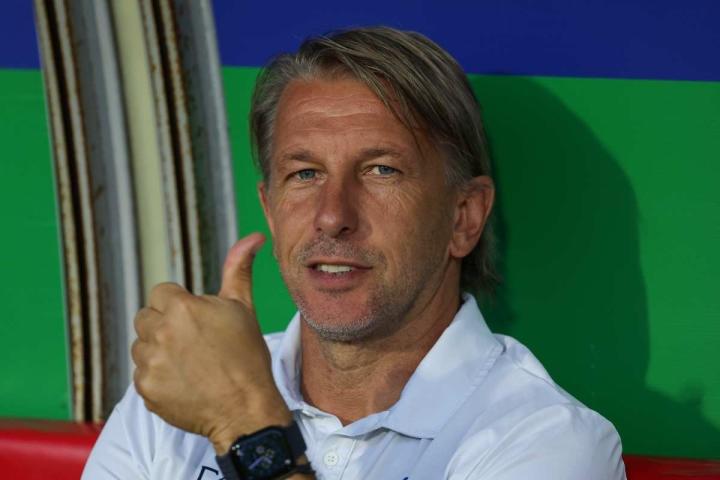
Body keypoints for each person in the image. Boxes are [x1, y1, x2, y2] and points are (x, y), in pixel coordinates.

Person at [83, 27, 626, 480]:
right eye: (305, 174)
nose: (332, 215)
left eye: (381, 170)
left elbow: (238, 414)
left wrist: (245, 425)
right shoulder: (180, 392)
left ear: (463, 217)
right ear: (270, 210)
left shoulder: (549, 440)